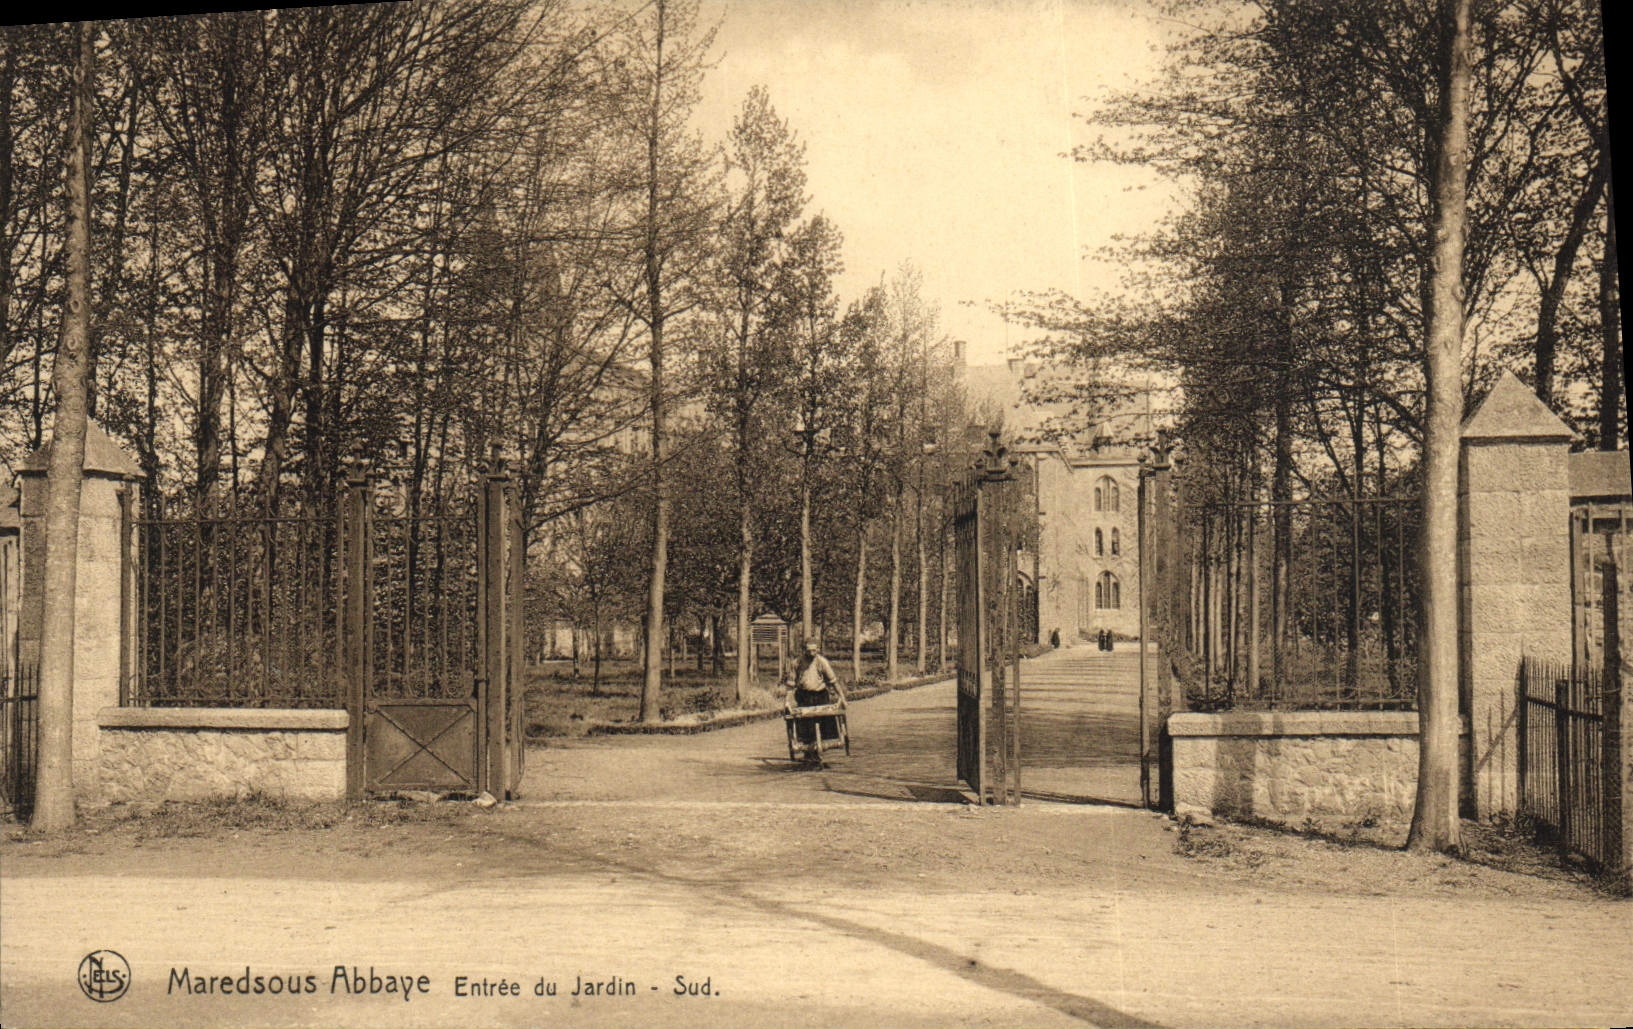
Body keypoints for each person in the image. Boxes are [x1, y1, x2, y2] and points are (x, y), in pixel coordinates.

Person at [787, 639, 845, 709]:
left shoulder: (822, 662)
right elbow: (790, 684)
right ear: (804, 650)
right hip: (803, 696)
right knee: (803, 718)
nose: (811, 653)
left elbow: (833, 681)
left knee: (826, 718)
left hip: (820, 695)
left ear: (817, 649)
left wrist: (842, 698)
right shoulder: (797, 662)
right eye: (809, 651)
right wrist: (787, 702)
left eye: (814, 650)